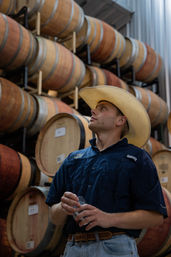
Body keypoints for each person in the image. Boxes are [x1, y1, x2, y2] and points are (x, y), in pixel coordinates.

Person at [46, 85, 167, 257]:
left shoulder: (136, 158)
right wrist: (63, 207)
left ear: (120, 121)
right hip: (72, 248)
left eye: (102, 109)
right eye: (95, 108)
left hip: (114, 248)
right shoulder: (74, 159)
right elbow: (54, 217)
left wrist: (107, 218)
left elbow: (155, 217)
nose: (93, 111)